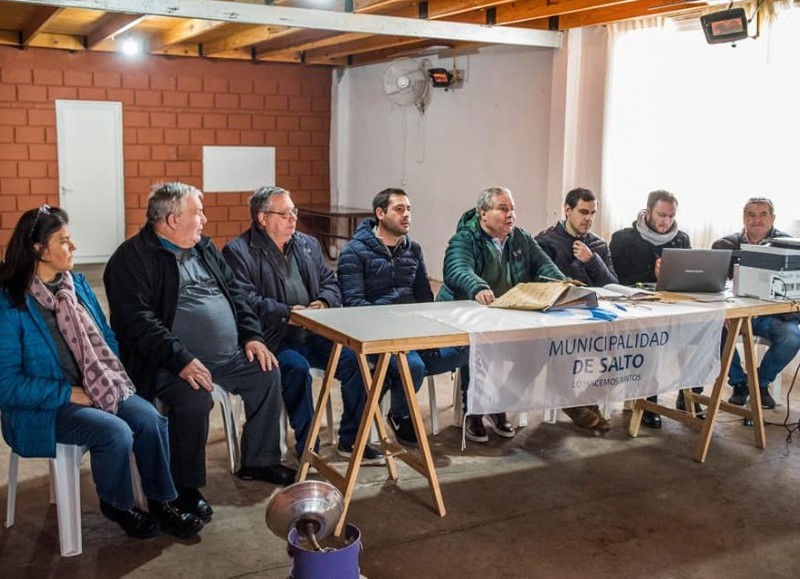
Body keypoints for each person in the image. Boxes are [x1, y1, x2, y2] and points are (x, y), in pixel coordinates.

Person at [0, 206, 203, 540]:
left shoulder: (76, 285)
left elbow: (106, 338)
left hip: (94, 387)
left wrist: (105, 378)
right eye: (64, 241)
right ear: (38, 249)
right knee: (116, 432)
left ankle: (161, 501)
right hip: (44, 408)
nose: (74, 247)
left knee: (149, 418)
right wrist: (68, 393)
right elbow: (6, 385)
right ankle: (117, 503)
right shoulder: (12, 304)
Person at [104, 182, 296, 524]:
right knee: (195, 398)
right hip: (166, 362)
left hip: (226, 355)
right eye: (198, 213)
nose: (205, 220)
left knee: (266, 371)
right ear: (173, 219)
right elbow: (138, 323)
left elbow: (236, 295)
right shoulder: (131, 259)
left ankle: (259, 460)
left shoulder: (204, 248)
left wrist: (252, 336)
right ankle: (184, 487)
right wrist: (182, 359)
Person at [222, 186, 384, 465]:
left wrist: (323, 302)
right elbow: (245, 299)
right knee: (296, 369)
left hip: (315, 331)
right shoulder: (238, 251)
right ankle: (309, 447)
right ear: (262, 218)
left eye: (293, 211)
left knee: (355, 361)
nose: (292, 218)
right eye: (284, 213)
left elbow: (331, 282)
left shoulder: (307, 244)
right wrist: (288, 312)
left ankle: (352, 440)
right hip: (272, 336)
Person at [437, 186, 604, 440]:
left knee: (538, 350)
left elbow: (545, 267)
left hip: (507, 313)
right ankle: (474, 412)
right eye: (503, 209)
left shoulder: (521, 238)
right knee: (479, 348)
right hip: (468, 314)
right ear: (483, 213)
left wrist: (563, 285)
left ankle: (500, 403)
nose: (510, 215)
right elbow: (456, 268)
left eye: (512, 209)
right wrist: (478, 286)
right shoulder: (465, 238)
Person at [337, 188, 469, 447]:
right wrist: (395, 330)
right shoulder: (354, 252)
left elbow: (423, 296)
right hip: (378, 334)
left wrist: (425, 328)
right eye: (399, 209)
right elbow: (354, 304)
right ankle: (400, 413)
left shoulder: (414, 249)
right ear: (380, 213)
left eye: (408, 209)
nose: (406, 215)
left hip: (412, 331)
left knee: (462, 350)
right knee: (414, 366)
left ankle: (388, 381)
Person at [536, 186, 618, 430]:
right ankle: (571, 402)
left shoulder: (598, 245)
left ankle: (585, 399)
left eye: (593, 213)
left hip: (595, 316)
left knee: (624, 348)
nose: (589, 218)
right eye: (583, 212)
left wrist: (592, 260)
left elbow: (613, 285)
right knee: (566, 345)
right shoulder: (546, 241)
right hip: (560, 318)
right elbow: (544, 284)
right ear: (567, 210)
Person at [609, 189, 693, 427]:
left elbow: (688, 275)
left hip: (672, 305)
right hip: (635, 306)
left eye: (671, 215)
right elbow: (614, 279)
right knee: (651, 337)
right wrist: (652, 275)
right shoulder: (623, 239)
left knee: (705, 330)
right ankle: (649, 401)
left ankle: (688, 397)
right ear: (648, 212)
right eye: (661, 215)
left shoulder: (681, 240)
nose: (666, 221)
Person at [712, 197, 800, 409]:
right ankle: (739, 383)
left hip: (773, 316)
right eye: (751, 215)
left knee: (793, 336)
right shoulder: (723, 245)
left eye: (763, 214)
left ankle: (760, 383)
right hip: (735, 314)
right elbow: (712, 284)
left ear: (773, 218)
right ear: (743, 218)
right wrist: (722, 311)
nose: (757, 220)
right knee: (714, 333)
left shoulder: (789, 246)